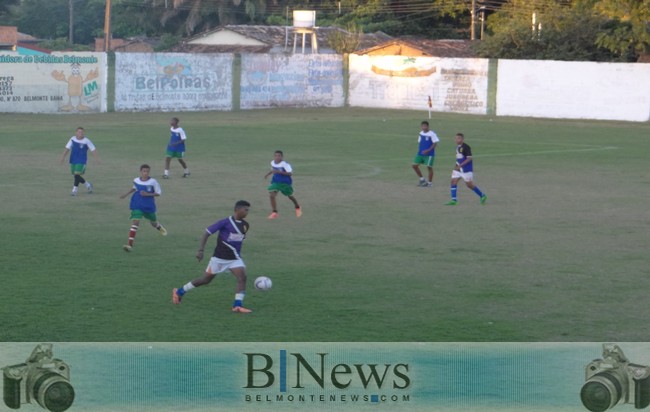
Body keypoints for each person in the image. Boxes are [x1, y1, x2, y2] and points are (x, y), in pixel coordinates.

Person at [172, 200, 253, 313]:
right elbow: (207, 232)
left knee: (242, 277)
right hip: (219, 258)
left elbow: (238, 241)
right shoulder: (225, 222)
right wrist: (200, 250)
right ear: (237, 210)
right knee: (205, 280)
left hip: (234, 259)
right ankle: (179, 292)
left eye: (248, 210)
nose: (247, 212)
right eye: (245, 209)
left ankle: (237, 305)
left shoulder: (245, 225)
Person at [120, 164, 167, 252]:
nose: (145, 173)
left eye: (147, 171)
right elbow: (134, 188)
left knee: (153, 223)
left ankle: (159, 227)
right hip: (137, 203)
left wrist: (147, 194)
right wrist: (125, 194)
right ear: (141, 172)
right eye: (144, 171)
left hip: (148, 205)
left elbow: (158, 193)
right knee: (136, 222)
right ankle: (130, 244)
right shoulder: (136, 180)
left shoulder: (153, 182)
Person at [445, 133, 487, 206]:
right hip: (458, 169)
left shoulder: (466, 147)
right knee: (453, 181)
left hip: (466, 169)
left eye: (458, 138)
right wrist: (457, 165)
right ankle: (454, 200)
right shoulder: (457, 147)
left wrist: (461, 165)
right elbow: (459, 158)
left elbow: (469, 158)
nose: (456, 140)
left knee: (469, 185)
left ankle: (482, 195)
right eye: (456, 138)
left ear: (462, 139)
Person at [60, 127, 100, 196]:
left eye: (82, 132)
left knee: (77, 175)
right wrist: (63, 157)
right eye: (79, 132)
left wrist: (97, 159)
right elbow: (67, 148)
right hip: (73, 160)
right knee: (76, 176)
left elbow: (93, 149)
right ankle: (88, 185)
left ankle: (74, 191)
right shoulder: (72, 139)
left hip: (81, 160)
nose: (80, 133)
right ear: (76, 132)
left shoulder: (86, 141)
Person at [264, 150, 301, 219]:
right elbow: (273, 170)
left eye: (279, 156)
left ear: (282, 157)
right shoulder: (272, 162)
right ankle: (274, 212)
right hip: (276, 182)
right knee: (272, 195)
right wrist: (267, 174)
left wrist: (279, 172)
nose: (277, 157)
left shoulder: (285, 164)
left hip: (285, 183)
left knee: (290, 196)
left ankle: (297, 207)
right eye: (275, 156)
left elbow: (290, 173)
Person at [412, 120, 439, 187]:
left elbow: (435, 143)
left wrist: (428, 150)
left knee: (429, 167)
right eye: (422, 126)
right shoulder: (421, 133)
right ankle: (422, 179)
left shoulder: (432, 134)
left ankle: (430, 183)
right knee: (414, 165)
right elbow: (420, 142)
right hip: (420, 153)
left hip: (429, 154)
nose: (423, 127)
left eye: (425, 126)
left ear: (428, 126)